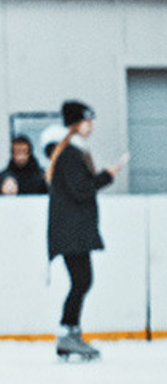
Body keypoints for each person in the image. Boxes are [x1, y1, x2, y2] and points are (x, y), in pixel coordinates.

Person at [46, 100, 126, 360]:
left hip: (73, 230)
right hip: (71, 231)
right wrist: (107, 175)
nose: (90, 127)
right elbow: (80, 189)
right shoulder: (70, 154)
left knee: (81, 281)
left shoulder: (71, 152)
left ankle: (70, 334)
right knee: (81, 281)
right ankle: (69, 335)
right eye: (87, 121)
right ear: (76, 123)